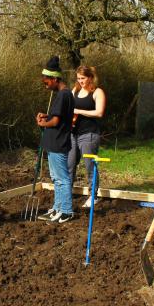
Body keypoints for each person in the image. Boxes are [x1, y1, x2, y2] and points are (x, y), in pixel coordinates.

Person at [36, 56, 76, 223]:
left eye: (47, 83)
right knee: (56, 178)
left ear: (54, 79)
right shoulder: (62, 94)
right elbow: (59, 116)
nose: (46, 86)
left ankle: (66, 210)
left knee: (62, 178)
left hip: (58, 142)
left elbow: (56, 121)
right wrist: (47, 115)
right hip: (54, 142)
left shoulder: (63, 95)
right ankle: (57, 208)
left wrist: (44, 122)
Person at [67, 65, 107, 208]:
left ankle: (93, 196)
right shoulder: (75, 90)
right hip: (73, 134)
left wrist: (79, 110)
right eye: (78, 78)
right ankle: (66, 194)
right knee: (70, 165)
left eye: (83, 78)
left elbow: (99, 113)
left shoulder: (97, 92)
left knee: (90, 166)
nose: (80, 81)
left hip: (89, 135)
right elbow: (68, 107)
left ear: (90, 77)